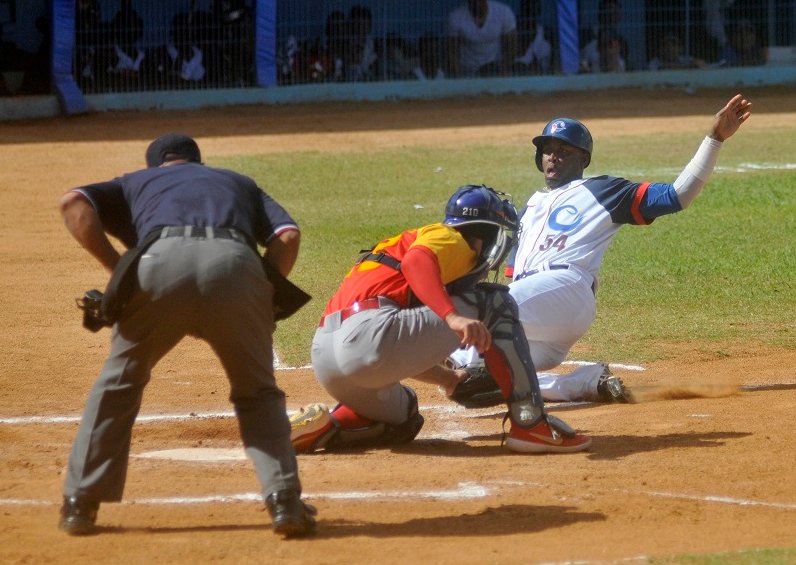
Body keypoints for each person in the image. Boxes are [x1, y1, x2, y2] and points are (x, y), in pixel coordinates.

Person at [56, 134, 317, 538]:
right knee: (258, 392)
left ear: (158, 164)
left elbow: (73, 204)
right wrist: (259, 293)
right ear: (198, 161)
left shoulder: (135, 182)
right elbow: (287, 236)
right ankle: (284, 501)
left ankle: (80, 504)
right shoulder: (236, 181)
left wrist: (118, 276)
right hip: (236, 265)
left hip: (160, 264)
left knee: (119, 383)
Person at [447, 94, 752, 406]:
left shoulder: (603, 191)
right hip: (535, 316)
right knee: (468, 377)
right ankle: (583, 382)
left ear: (584, 159)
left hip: (566, 291)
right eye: (548, 150)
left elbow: (678, 196)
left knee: (477, 308)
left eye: (564, 150)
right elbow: (511, 279)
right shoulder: (528, 209)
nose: (553, 156)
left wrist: (714, 138)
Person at [289, 185, 592, 455]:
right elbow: (416, 261)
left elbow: (392, 345)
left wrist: (447, 379)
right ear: (486, 233)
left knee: (404, 417)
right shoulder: (455, 240)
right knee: (497, 302)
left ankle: (323, 424)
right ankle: (531, 423)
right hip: (367, 337)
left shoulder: (414, 262)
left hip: (330, 360)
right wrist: (453, 318)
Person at [447, 0, 518, 77]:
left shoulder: (504, 12)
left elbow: (512, 47)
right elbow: (452, 52)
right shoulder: (455, 17)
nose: (477, 3)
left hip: (495, 69)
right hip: (468, 70)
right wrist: (459, 78)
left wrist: (504, 69)